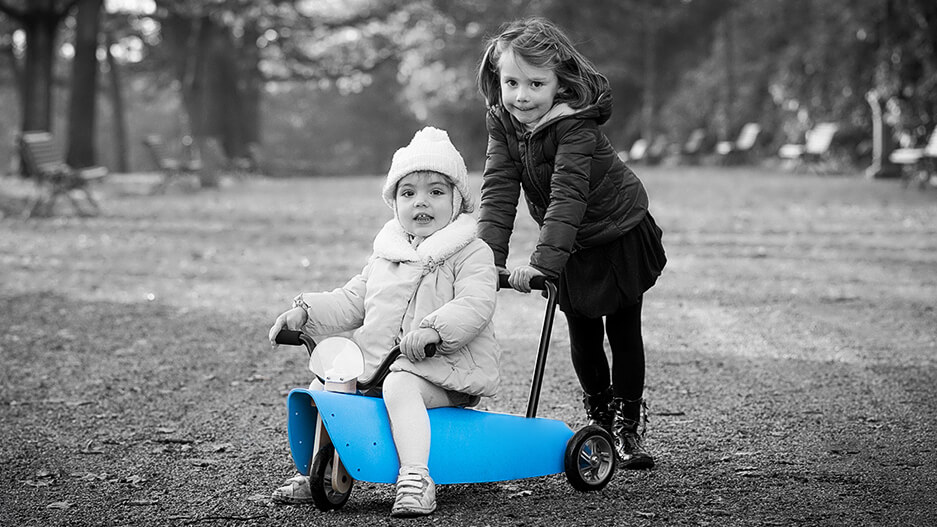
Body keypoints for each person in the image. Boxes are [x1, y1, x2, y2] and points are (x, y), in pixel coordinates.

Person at [267, 127, 501, 517]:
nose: (420, 203)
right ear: (394, 203)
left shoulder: (471, 252)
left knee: (401, 383)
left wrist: (433, 330)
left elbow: (476, 304)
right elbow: (352, 299)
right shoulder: (386, 256)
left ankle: (415, 478)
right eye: (408, 193)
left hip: (444, 369)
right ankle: (318, 474)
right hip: (380, 368)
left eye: (435, 192)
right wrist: (305, 310)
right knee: (323, 384)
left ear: (458, 201)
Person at [475, 17, 666, 470]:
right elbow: (499, 189)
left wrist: (542, 264)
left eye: (536, 83)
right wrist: (484, 261)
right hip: (573, 242)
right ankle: (597, 419)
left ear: (560, 84)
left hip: (617, 230)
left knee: (622, 330)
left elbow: (567, 195)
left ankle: (627, 426)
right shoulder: (504, 122)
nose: (522, 95)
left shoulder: (575, 126)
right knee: (582, 332)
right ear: (498, 81)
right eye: (511, 82)